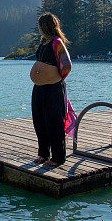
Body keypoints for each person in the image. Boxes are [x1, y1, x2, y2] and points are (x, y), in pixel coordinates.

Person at [29, 12, 77, 166]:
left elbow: (67, 65)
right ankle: (43, 154)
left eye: (40, 25)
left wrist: (55, 78)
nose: (38, 28)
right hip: (39, 89)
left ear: (45, 26)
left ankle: (58, 158)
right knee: (39, 122)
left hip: (53, 89)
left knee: (54, 123)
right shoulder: (43, 42)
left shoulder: (57, 42)